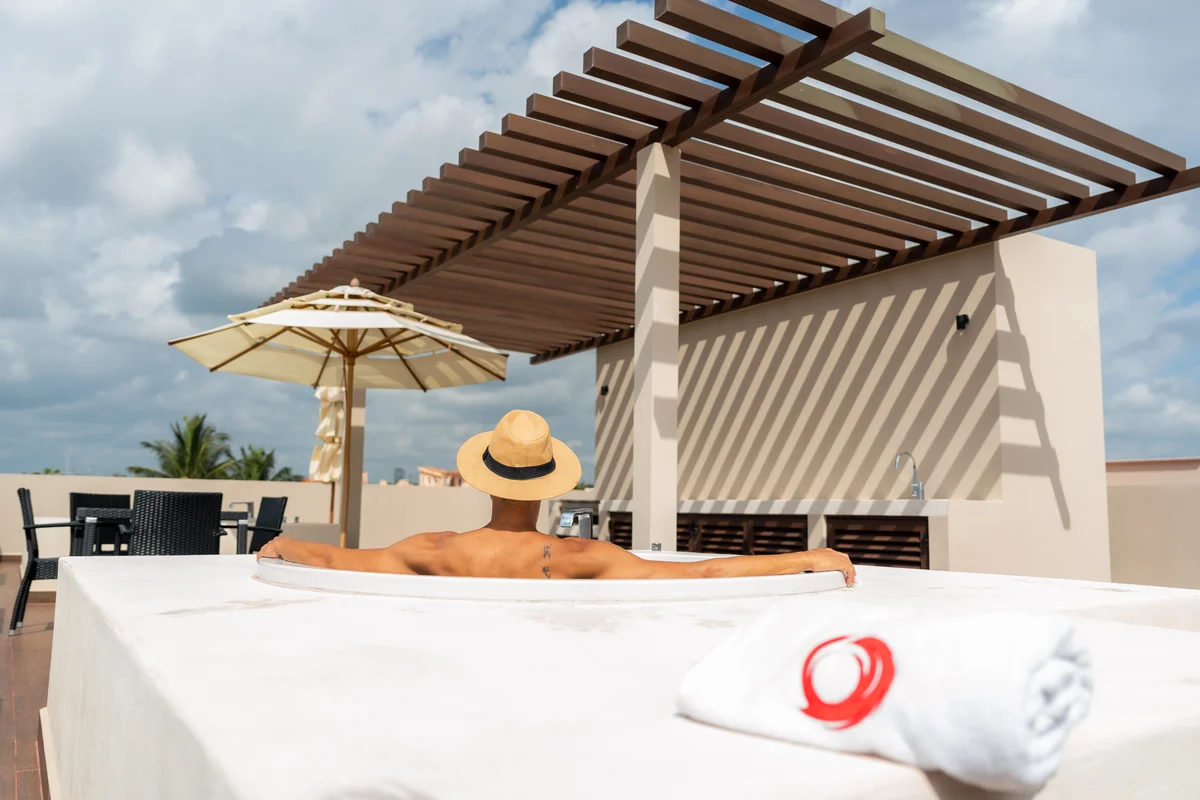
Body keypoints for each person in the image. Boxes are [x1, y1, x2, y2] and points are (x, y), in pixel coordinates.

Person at [258, 410, 856, 585]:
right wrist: (802, 559)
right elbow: (696, 574)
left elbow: (343, 559)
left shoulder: (432, 550)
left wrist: (285, 543)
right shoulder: (577, 560)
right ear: (549, 486)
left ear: (483, 479)